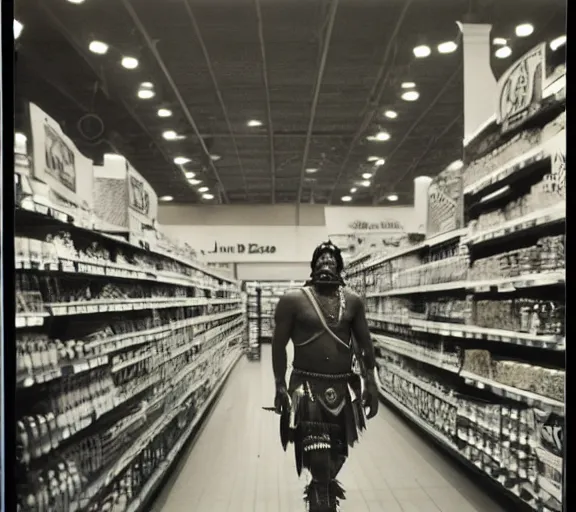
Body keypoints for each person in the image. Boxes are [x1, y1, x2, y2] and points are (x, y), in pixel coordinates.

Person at [271, 241, 379, 512]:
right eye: (321, 259)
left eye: (332, 259)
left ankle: (323, 490)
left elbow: (365, 345)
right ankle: (321, 498)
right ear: (312, 266)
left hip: (343, 392)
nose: (326, 262)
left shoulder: (353, 302)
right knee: (319, 463)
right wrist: (279, 385)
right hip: (307, 390)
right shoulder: (293, 300)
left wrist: (371, 384)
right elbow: (277, 344)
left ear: (340, 267)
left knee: (337, 456)